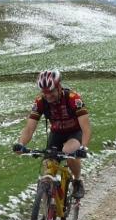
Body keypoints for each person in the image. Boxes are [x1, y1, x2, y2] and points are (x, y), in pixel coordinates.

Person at [13, 69, 91, 198]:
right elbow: (29, 128)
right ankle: (48, 204)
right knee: (48, 165)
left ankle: (77, 181)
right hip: (56, 133)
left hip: (75, 132)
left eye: (51, 92)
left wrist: (83, 147)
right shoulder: (40, 102)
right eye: (45, 93)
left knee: (69, 151)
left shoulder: (73, 99)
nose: (48, 96)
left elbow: (86, 127)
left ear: (59, 87)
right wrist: (21, 144)